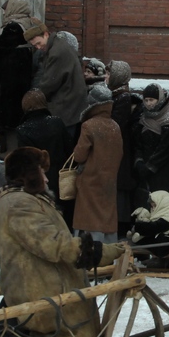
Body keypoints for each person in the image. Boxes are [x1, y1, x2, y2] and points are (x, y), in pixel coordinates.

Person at [0, 147, 126, 337]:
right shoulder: (18, 204)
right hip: (45, 299)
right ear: (28, 175)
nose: (46, 180)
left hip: (49, 287)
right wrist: (100, 251)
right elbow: (54, 244)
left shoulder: (26, 201)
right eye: (41, 173)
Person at [0, 0, 36, 149]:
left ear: (13, 9)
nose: (4, 12)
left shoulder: (14, 26)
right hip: (17, 77)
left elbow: (3, 45)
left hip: (8, 79)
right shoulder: (26, 24)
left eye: (5, 9)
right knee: (12, 116)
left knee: (6, 118)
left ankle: (6, 151)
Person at [71, 85, 122, 243]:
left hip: (90, 181)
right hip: (109, 181)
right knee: (107, 216)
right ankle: (107, 248)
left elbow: (79, 155)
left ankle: (89, 250)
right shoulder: (115, 126)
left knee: (89, 217)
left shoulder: (89, 125)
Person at [24, 19, 87, 140]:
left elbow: (50, 83)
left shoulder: (56, 52)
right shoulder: (58, 45)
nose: (38, 47)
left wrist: (34, 99)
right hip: (71, 103)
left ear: (46, 34)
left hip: (66, 106)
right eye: (35, 46)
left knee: (62, 145)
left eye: (38, 43)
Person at [106, 60, 142, 239]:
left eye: (109, 74)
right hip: (119, 153)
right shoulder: (116, 96)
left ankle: (120, 230)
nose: (106, 77)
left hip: (122, 154)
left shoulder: (122, 98)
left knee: (120, 196)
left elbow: (115, 125)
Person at [14, 89, 70, 200]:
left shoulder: (22, 130)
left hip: (40, 182)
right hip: (62, 180)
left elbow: (26, 162)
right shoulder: (57, 123)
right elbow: (69, 149)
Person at [133, 84, 169, 199]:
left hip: (163, 170)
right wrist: (139, 162)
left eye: (152, 100)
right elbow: (137, 142)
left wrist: (149, 167)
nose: (148, 103)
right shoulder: (143, 117)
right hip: (143, 167)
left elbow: (165, 148)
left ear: (159, 99)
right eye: (146, 100)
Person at [129, 190, 169, 264]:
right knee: (141, 238)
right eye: (152, 206)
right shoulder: (163, 211)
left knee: (141, 238)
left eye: (154, 205)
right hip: (165, 240)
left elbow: (156, 227)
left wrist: (138, 227)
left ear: (161, 202)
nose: (153, 209)